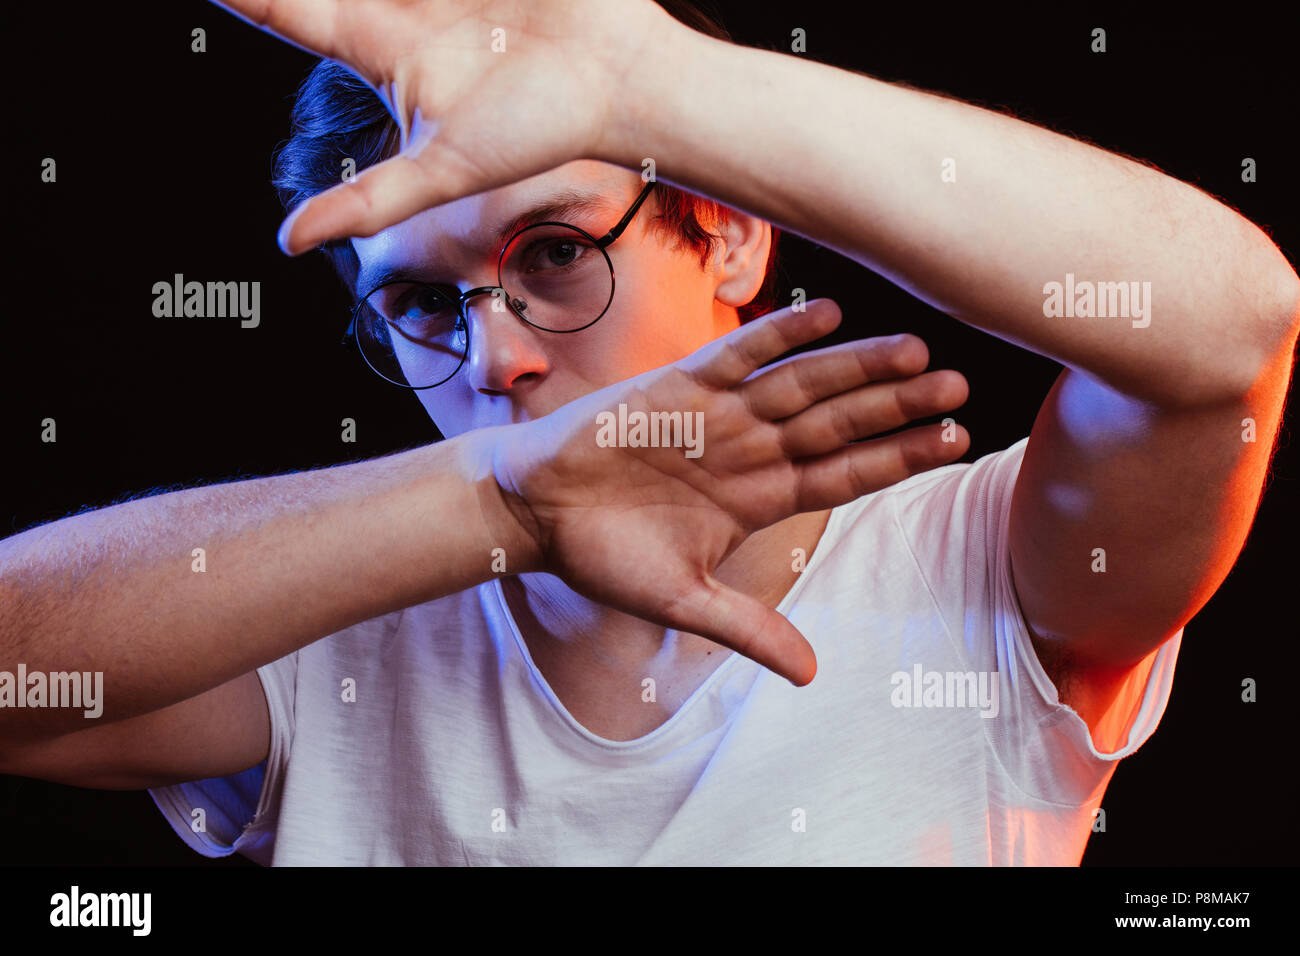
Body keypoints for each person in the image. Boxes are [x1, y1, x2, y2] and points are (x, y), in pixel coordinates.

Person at [1, 0, 1295, 865]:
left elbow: (1228, 328)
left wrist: (646, 84)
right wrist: (497, 508)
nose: (497, 358)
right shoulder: (319, 614)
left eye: (556, 252)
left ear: (727, 233)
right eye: (415, 302)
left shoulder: (982, 566)